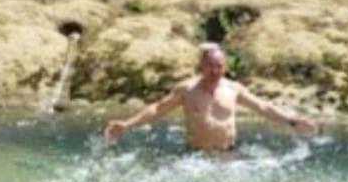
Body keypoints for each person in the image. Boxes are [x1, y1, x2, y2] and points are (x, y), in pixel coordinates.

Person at [103, 42, 318, 152]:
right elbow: (158, 109)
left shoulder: (233, 89)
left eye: (219, 66)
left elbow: (263, 107)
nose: (215, 71)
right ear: (200, 67)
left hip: (228, 156)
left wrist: (293, 121)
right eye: (210, 66)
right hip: (195, 159)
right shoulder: (187, 90)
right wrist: (126, 124)